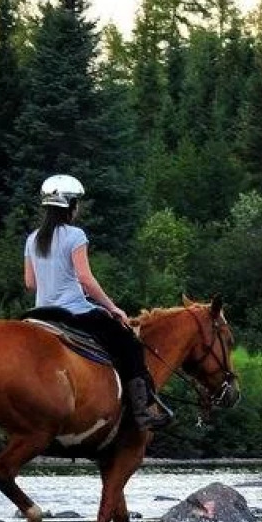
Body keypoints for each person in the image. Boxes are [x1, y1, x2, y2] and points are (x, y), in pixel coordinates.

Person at [23, 174, 172, 431]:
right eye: (76, 203)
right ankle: (142, 412)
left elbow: (30, 283)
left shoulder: (33, 238)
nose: (78, 208)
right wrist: (112, 308)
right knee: (130, 344)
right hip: (72, 313)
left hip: (39, 313)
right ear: (70, 205)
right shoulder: (76, 235)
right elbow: (85, 278)